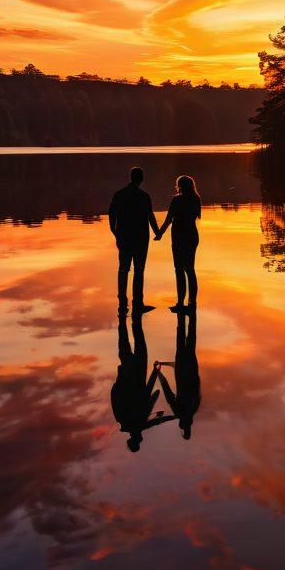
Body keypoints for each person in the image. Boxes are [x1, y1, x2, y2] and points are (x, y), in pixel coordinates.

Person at [111, 308, 173, 452]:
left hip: (135, 371)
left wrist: (155, 371)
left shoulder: (139, 423)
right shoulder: (123, 421)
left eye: (138, 441)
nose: (141, 439)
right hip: (129, 373)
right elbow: (114, 392)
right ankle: (125, 314)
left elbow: (148, 394)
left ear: (135, 440)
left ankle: (133, 314)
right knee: (126, 341)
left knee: (136, 340)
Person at [109, 166, 160, 313]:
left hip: (124, 237)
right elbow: (151, 217)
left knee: (123, 269)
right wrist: (158, 233)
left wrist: (116, 233)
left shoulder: (119, 195)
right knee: (139, 270)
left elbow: (112, 217)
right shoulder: (144, 196)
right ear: (142, 179)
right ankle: (138, 303)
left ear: (130, 177)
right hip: (141, 239)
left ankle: (122, 303)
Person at [155, 175, 201, 311]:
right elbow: (195, 216)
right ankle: (192, 303)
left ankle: (180, 302)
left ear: (179, 186)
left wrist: (160, 233)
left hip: (179, 237)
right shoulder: (196, 199)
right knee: (190, 269)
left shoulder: (177, 200)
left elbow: (168, 220)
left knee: (179, 269)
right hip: (192, 235)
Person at [155, 308, 200, 440]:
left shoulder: (194, 408)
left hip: (191, 366)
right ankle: (181, 311)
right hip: (182, 369)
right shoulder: (179, 412)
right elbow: (167, 391)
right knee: (181, 336)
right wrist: (159, 373)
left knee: (190, 336)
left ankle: (190, 311)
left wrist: (163, 365)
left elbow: (197, 383)